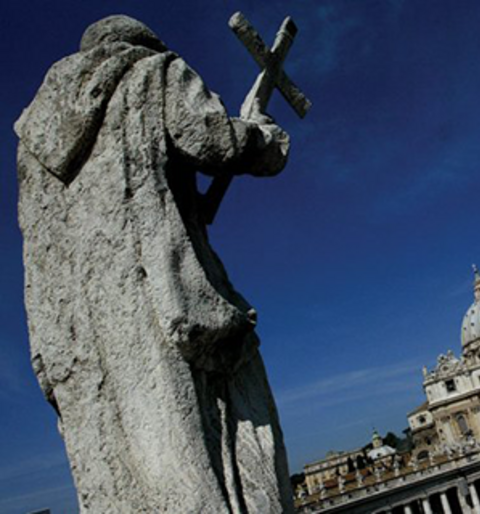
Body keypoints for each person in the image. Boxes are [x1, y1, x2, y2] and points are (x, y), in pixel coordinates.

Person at [16, 15, 292, 512]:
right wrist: (263, 137)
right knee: (228, 437)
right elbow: (214, 140)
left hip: (74, 336)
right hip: (161, 293)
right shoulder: (153, 70)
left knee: (127, 467)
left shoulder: (35, 138)